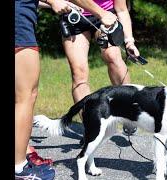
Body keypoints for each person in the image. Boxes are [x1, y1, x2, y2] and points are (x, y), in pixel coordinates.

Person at [15, 0, 119, 179]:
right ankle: (19, 168)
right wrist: (101, 13)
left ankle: (20, 153)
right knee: (25, 96)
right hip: (19, 22)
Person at [60, 0, 139, 136]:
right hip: (74, 16)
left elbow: (121, 10)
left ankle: (129, 110)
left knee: (112, 56)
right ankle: (92, 126)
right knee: (78, 72)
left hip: (105, 16)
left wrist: (129, 41)